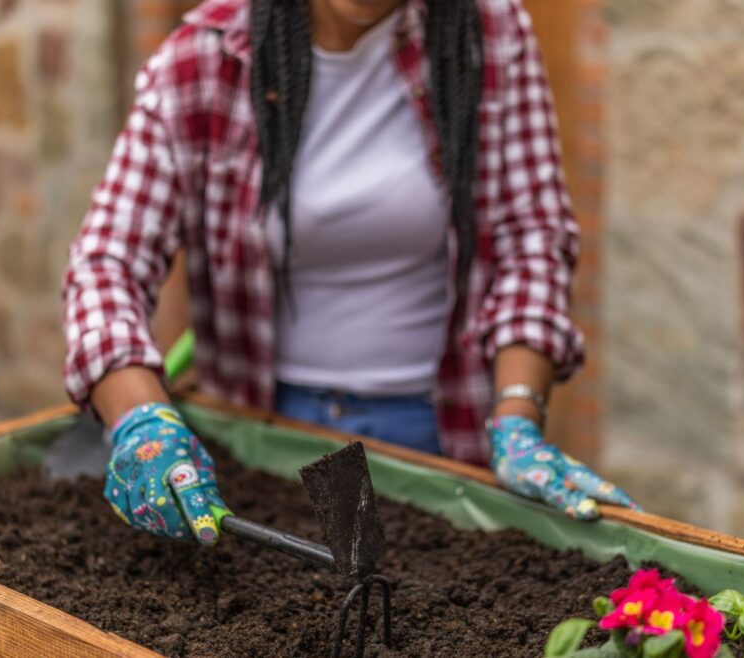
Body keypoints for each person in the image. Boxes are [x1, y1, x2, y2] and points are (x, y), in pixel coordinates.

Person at [62, 0, 638, 546]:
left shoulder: (486, 30)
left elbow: (532, 237)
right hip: (270, 434)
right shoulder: (204, 60)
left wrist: (517, 414)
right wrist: (140, 419)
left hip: (436, 435)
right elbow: (107, 262)